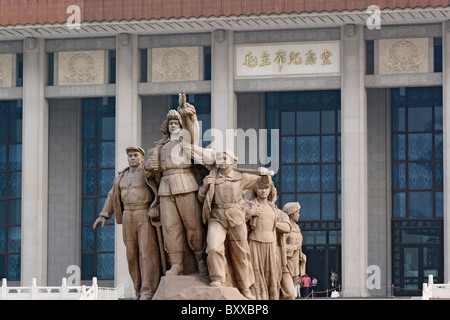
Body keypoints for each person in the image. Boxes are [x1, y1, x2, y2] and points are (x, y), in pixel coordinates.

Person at [197, 150, 272, 300]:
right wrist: (205, 186)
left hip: (236, 216)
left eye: (225, 157)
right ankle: (217, 278)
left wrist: (265, 174)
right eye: (220, 157)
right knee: (213, 247)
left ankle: (245, 287)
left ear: (232, 161)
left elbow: (263, 183)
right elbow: (201, 198)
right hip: (217, 216)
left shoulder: (240, 177)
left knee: (241, 254)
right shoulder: (211, 176)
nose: (222, 160)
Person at [145, 109, 208, 277]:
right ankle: (176, 265)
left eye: (176, 123)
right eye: (171, 123)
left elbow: (193, 129)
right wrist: (149, 167)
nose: (173, 126)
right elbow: (150, 171)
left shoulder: (186, 141)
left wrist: (191, 115)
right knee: (171, 229)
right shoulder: (160, 147)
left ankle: (201, 260)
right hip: (165, 188)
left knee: (193, 227)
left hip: (186, 183)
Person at [93, 146, 161, 300]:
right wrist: (104, 215)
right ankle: (137, 289)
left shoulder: (147, 173)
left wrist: (156, 207)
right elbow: (112, 195)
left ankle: (147, 290)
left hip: (143, 213)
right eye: (130, 155)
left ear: (141, 158)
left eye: (135, 155)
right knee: (132, 254)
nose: (132, 158)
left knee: (146, 253)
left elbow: (160, 189)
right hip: (127, 216)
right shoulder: (121, 177)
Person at [247, 184, 291, 300]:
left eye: (266, 188)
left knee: (271, 276)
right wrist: (250, 214)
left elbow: (287, 227)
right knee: (256, 274)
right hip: (254, 244)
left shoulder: (275, 210)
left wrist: (275, 224)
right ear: (255, 189)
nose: (263, 190)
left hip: (271, 245)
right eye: (260, 187)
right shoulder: (251, 205)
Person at [281, 202, 303, 288]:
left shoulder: (297, 228)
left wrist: (301, 254)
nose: (299, 215)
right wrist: (294, 247)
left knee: (292, 291)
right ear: (292, 214)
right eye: (297, 213)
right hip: (286, 264)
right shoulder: (286, 228)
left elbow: (299, 244)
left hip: (295, 264)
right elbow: (279, 247)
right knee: (288, 292)